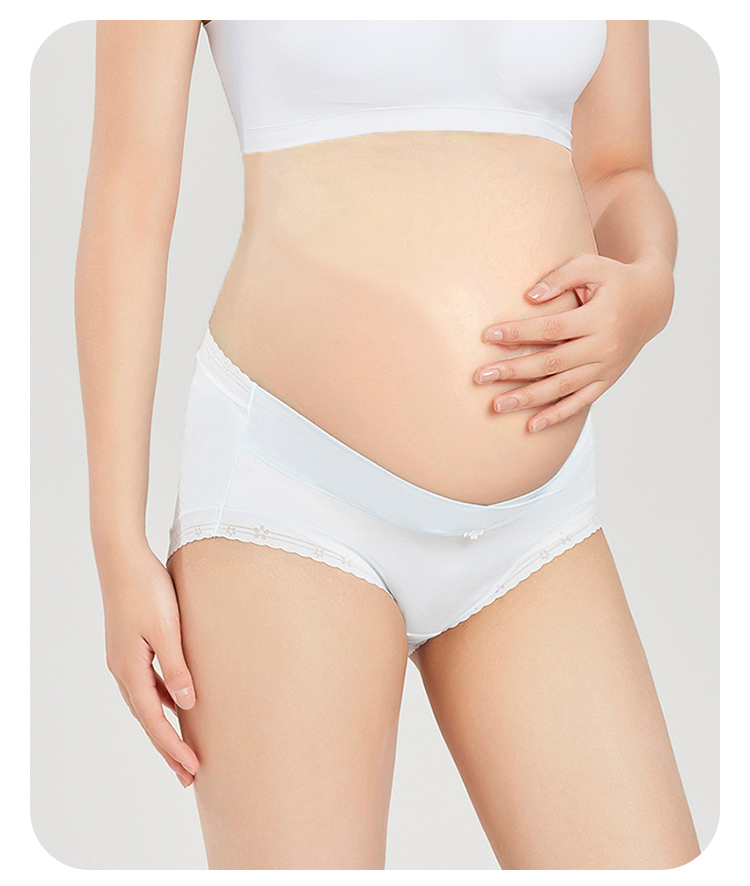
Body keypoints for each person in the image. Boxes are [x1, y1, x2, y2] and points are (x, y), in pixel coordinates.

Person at [74, 19, 701, 870]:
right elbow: (129, 197)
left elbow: (618, 170)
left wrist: (649, 285)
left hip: (538, 525)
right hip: (291, 499)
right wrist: (116, 540)